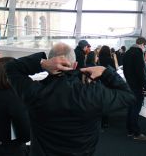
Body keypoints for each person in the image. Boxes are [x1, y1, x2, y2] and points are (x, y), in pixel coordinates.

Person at [7, 43, 135, 155]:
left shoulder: (35, 92)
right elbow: (128, 96)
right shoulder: (94, 93)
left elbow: (11, 68)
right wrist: (105, 71)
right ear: (75, 64)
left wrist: (41, 63)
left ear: (51, 63)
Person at [122, 37, 146, 141]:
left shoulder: (128, 53)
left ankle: (129, 130)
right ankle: (136, 133)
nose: (144, 47)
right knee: (136, 109)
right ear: (142, 44)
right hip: (137, 86)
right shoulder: (138, 53)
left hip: (129, 84)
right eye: (144, 45)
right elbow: (140, 72)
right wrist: (144, 86)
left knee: (130, 108)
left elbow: (125, 70)